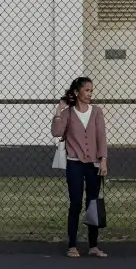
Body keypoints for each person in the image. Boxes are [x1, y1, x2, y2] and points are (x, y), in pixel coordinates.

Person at [50, 76, 109, 258]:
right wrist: (59, 112)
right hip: (74, 163)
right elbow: (56, 132)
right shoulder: (68, 113)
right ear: (77, 92)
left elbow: (101, 137)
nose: (90, 94)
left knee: (92, 203)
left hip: (93, 164)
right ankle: (73, 245)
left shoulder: (97, 112)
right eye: (87, 90)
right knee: (75, 203)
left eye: (91, 90)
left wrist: (103, 159)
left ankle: (93, 245)